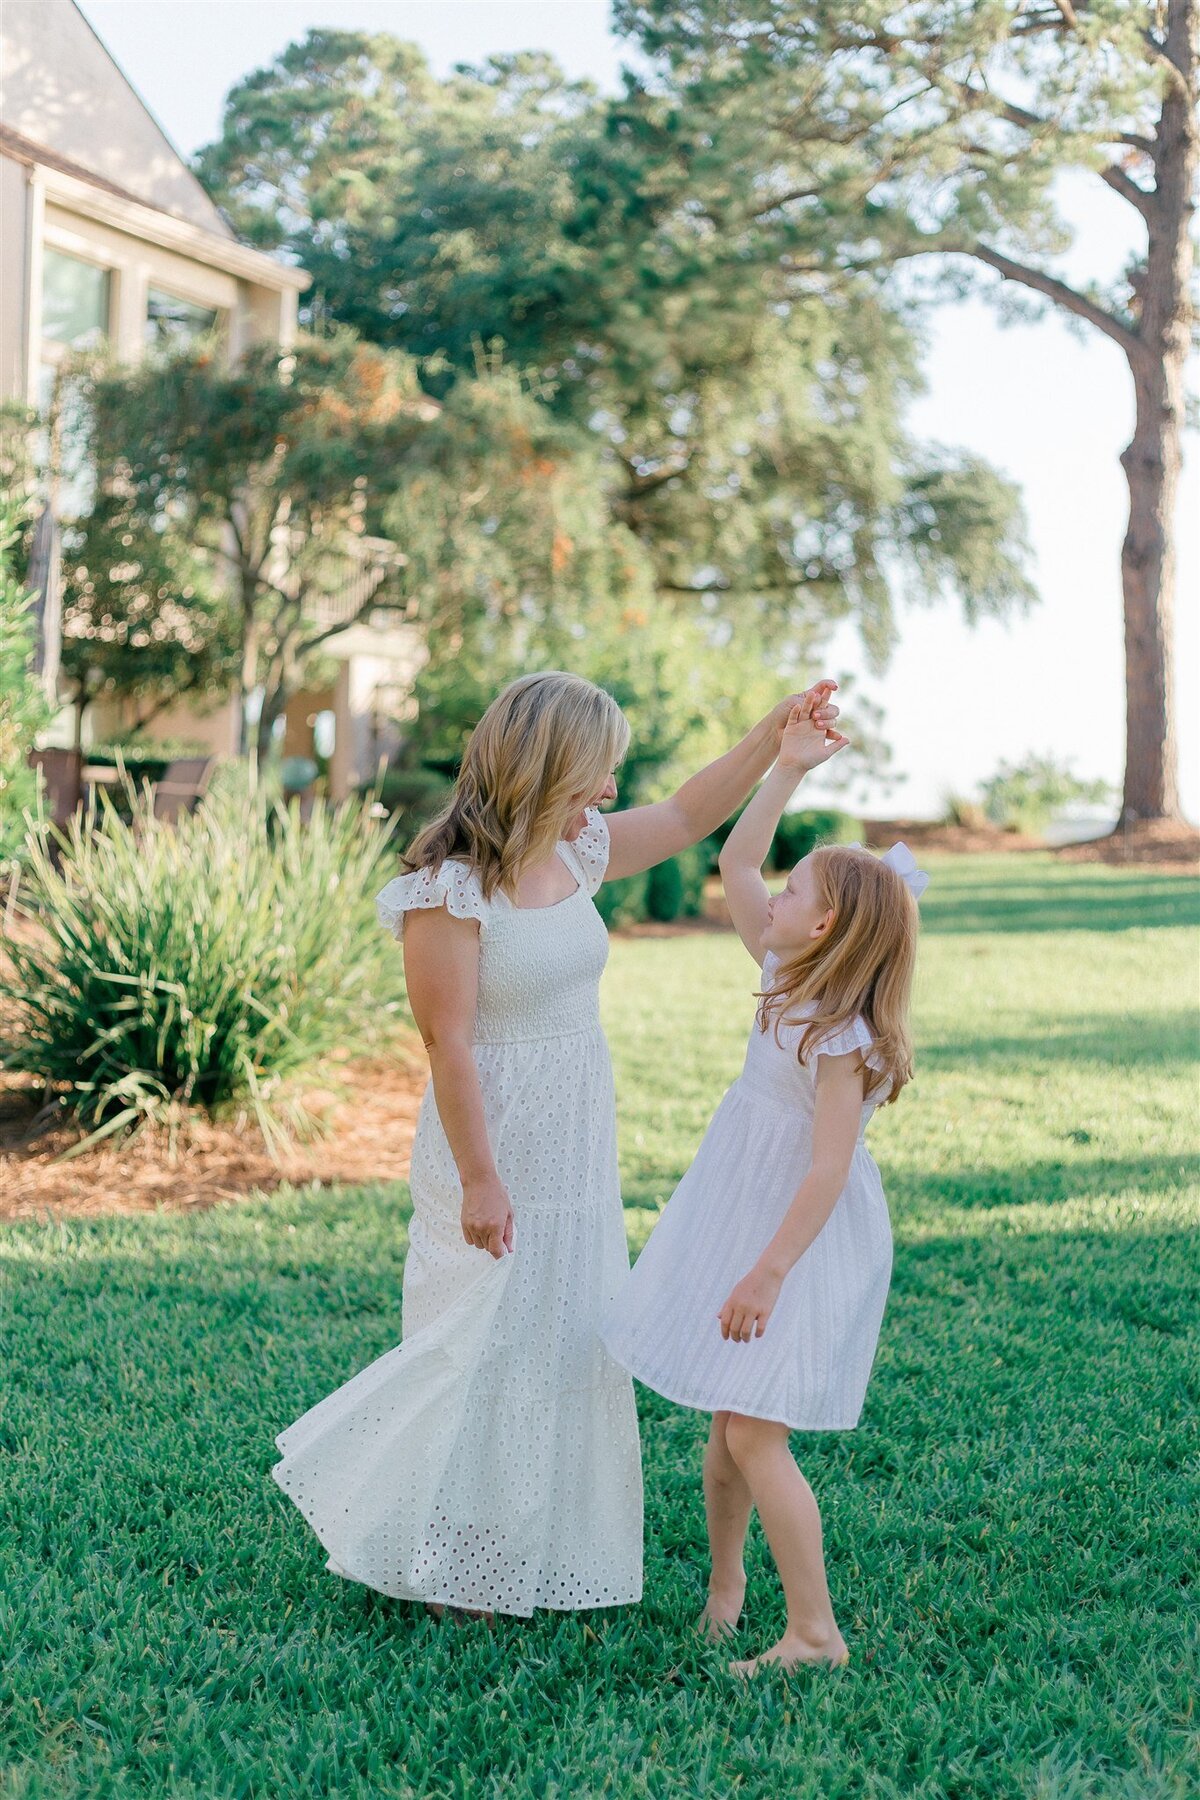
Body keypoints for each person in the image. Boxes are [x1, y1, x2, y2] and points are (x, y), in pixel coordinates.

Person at [271, 670, 841, 1620]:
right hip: (493, 1142)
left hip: (576, 1139)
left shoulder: (575, 851)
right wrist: (481, 1179)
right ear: (547, 766)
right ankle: (451, 1562)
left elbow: (692, 812)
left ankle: (533, 1553)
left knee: (566, 1340)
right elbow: (446, 1043)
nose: (610, 796)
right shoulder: (445, 889)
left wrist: (772, 733)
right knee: (478, 1344)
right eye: (597, 775)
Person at [602, 694, 926, 1673]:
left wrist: (768, 1274)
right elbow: (734, 862)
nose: (766, 901)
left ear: (825, 922)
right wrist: (786, 767)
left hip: (798, 1235)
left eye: (791, 894)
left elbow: (828, 1168)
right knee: (724, 1424)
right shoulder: (785, 969)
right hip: (744, 1209)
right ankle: (727, 1587)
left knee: (753, 1431)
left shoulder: (840, 1035)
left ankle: (814, 1631)